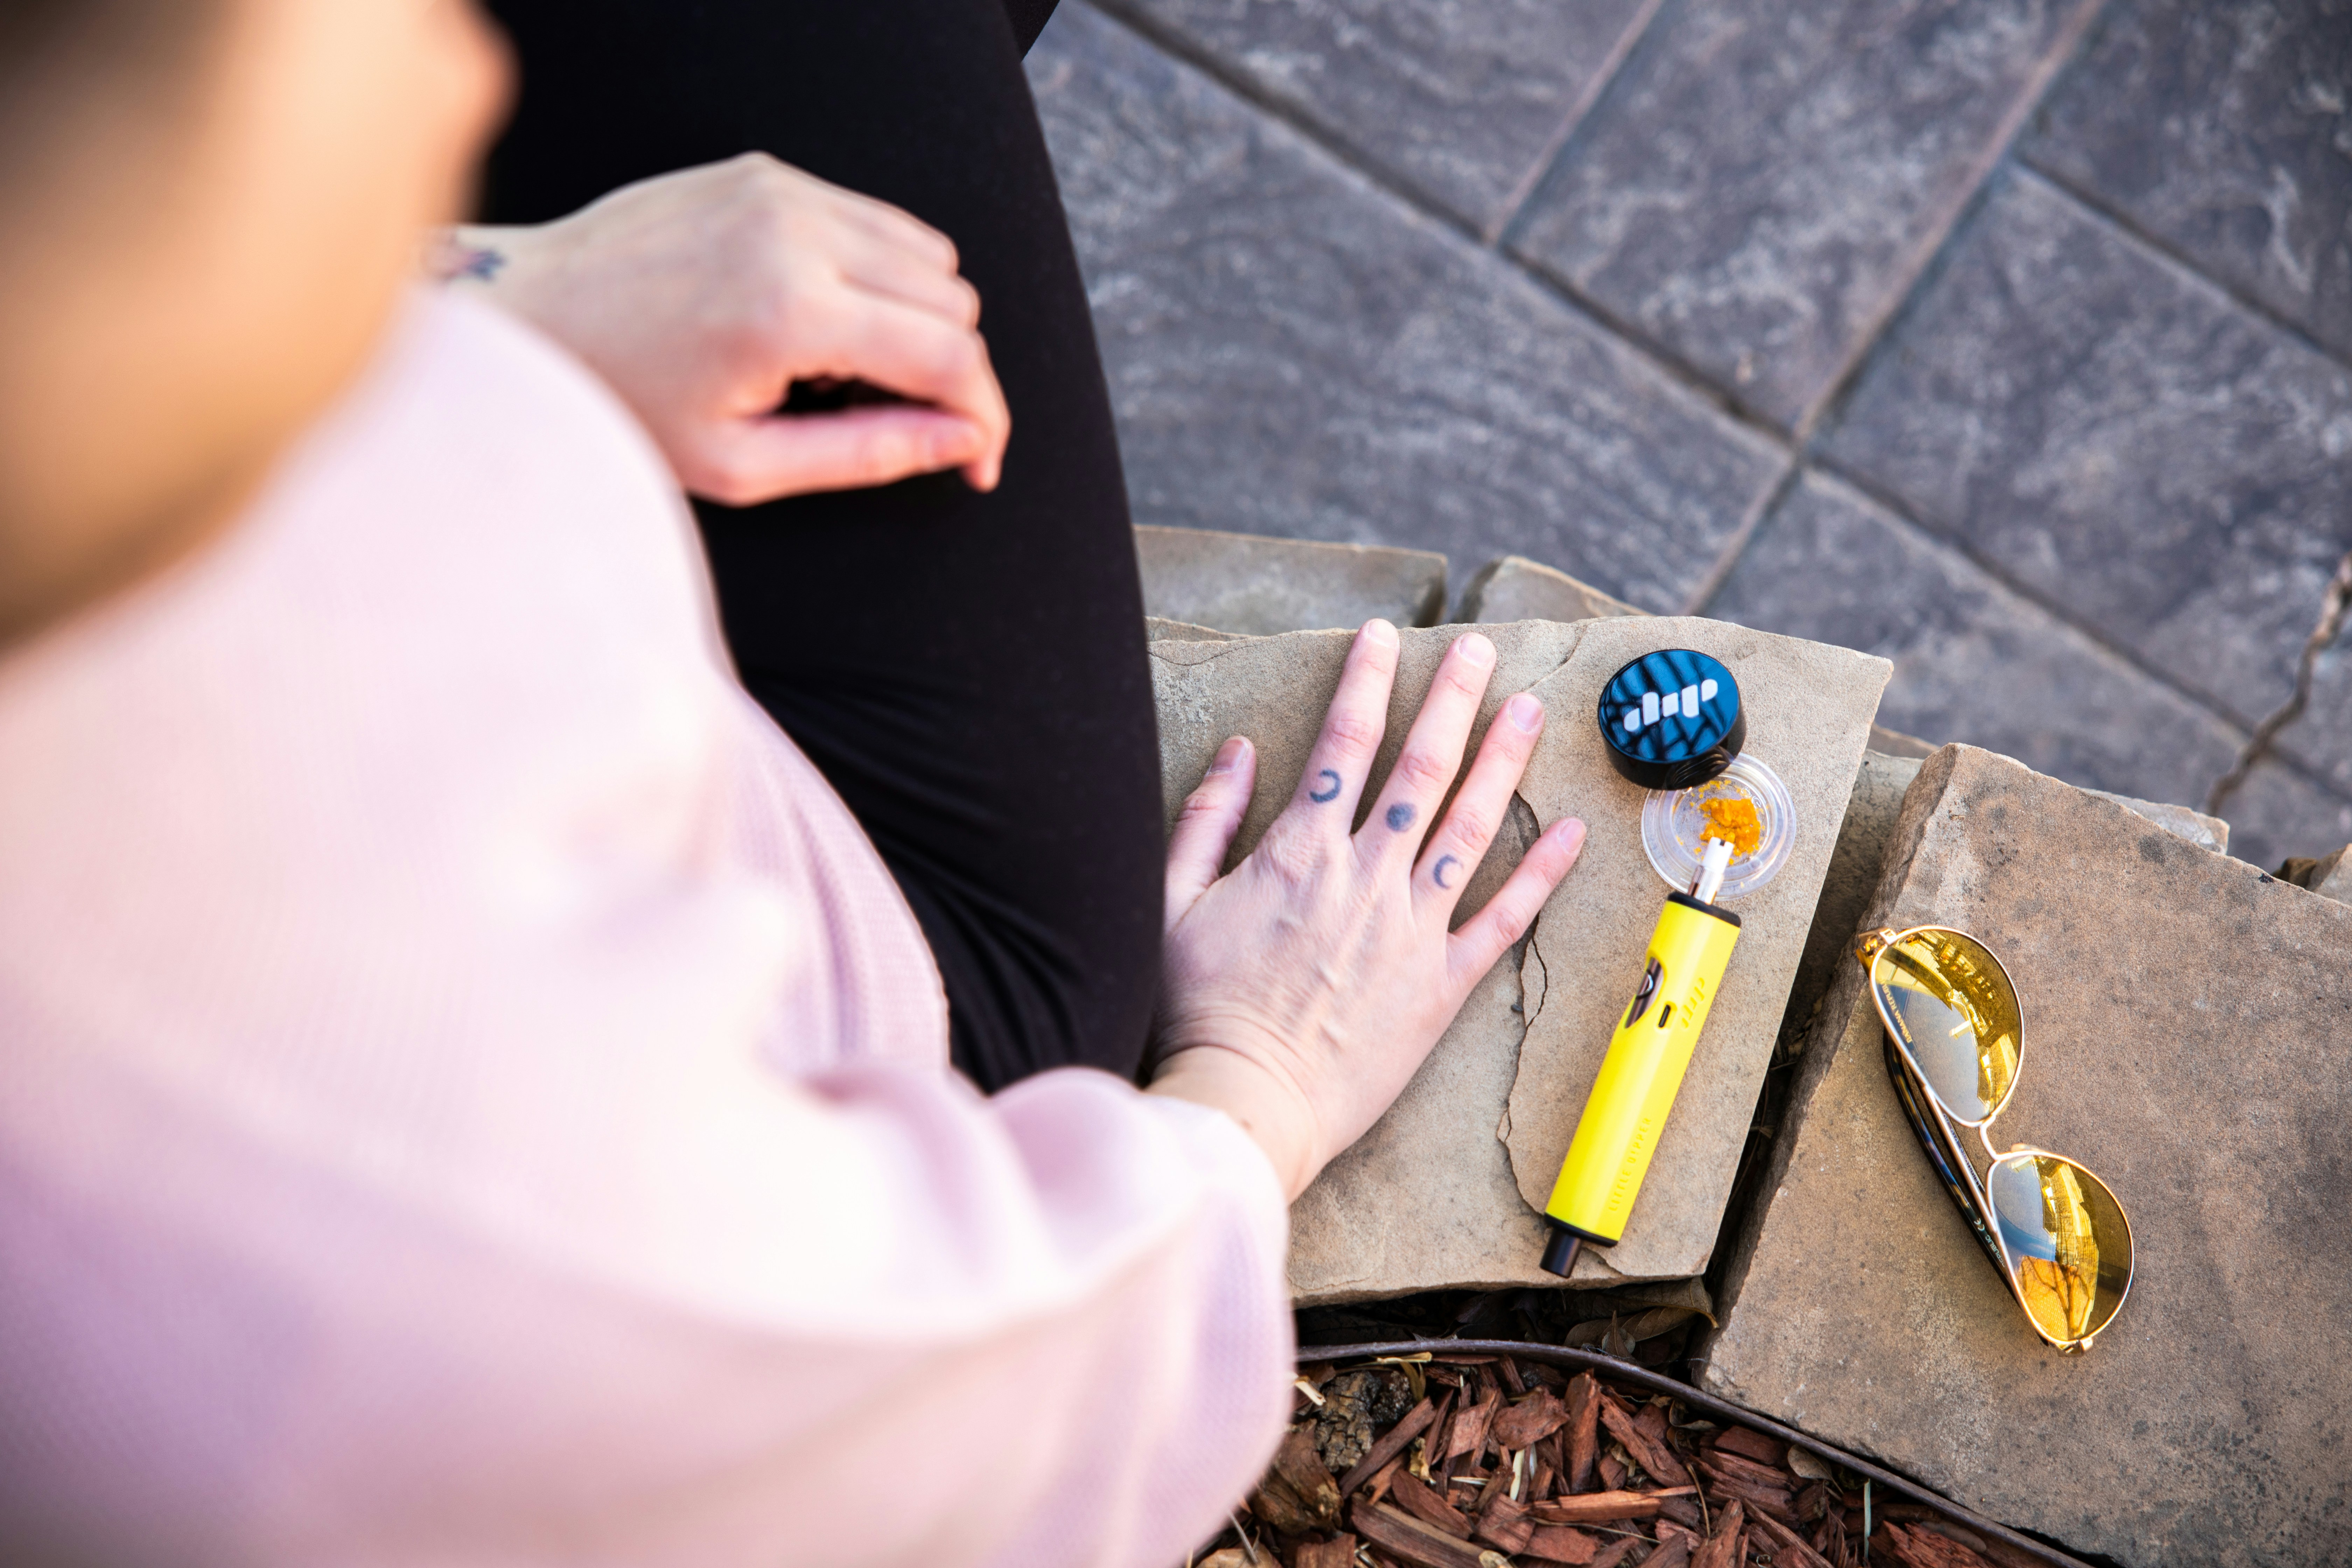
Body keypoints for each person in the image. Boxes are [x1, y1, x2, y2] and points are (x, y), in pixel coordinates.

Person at [0, 3, 1589, 1566]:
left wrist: (491, 286)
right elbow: (960, 1422)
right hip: (855, 920)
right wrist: (1262, 1080)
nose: (457, 60)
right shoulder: (404, 1214)